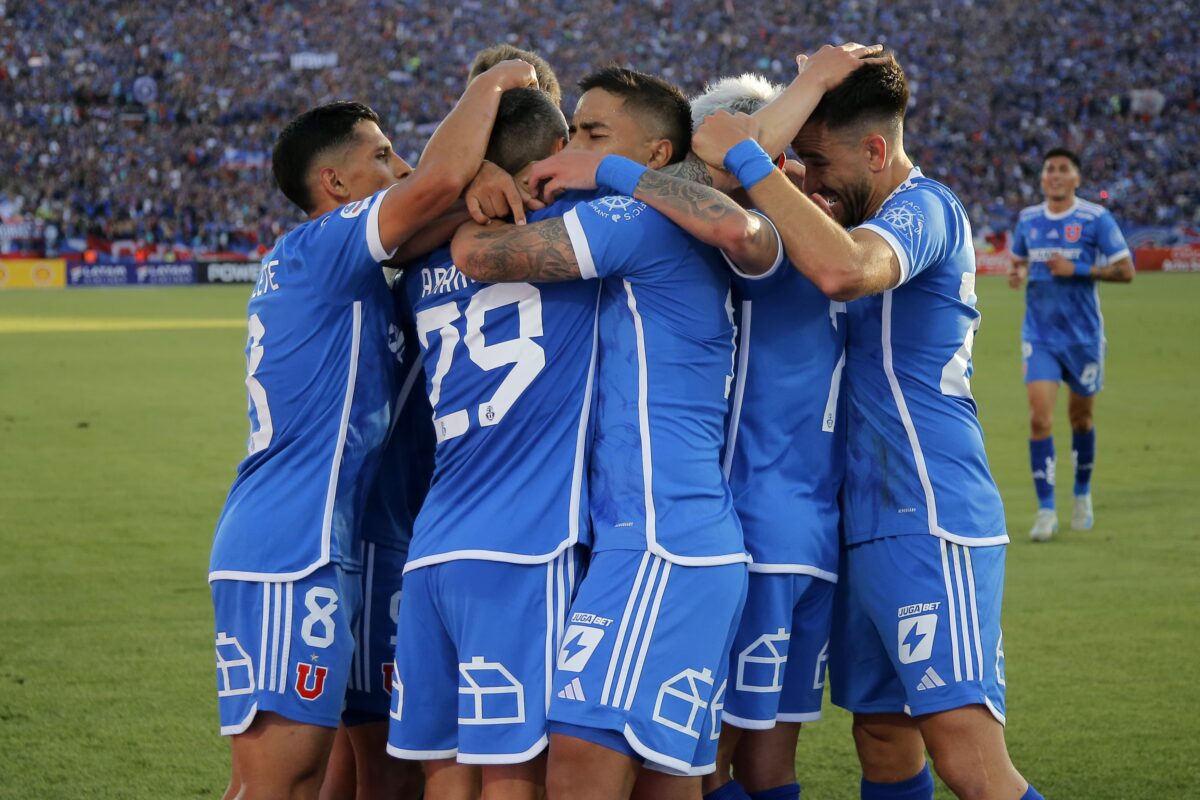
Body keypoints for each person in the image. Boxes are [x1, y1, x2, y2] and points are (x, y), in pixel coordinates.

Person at [523, 45, 882, 800]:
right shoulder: (779, 233)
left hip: (742, 530)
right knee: (716, 760)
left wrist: (616, 170)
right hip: (786, 529)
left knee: (713, 758)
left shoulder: (765, 238)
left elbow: (720, 195)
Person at [687, 54, 1044, 800]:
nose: (807, 181)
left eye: (816, 162)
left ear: (876, 152)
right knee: (882, 736)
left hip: (928, 511)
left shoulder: (925, 208)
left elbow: (848, 272)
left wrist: (753, 160)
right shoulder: (837, 224)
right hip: (859, 520)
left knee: (969, 761)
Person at [208, 59, 538, 800]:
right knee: (275, 786)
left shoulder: (349, 272)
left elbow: (441, 211)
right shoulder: (322, 247)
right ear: (337, 186)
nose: (403, 164)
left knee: (332, 778)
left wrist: (482, 187)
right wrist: (493, 83)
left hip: (332, 543)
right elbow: (436, 188)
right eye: (382, 154)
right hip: (286, 548)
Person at [451, 66, 747, 800]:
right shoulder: (667, 218)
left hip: (657, 543)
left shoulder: (634, 219)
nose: (565, 145)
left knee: (577, 769)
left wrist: (473, 187)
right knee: (662, 785)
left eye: (588, 132)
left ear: (651, 156)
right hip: (673, 540)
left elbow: (479, 256)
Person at [385, 86, 585, 800]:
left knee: (446, 773)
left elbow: (413, 220)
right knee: (513, 775)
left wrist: (468, 178)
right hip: (526, 547)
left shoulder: (416, 264)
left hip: (434, 548)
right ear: (556, 154)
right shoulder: (575, 232)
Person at [1008, 147, 1134, 541]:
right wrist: (1017, 271)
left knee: (1081, 419)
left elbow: (1125, 271)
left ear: (1077, 178)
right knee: (1039, 418)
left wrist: (1075, 269)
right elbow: (1019, 261)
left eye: (1064, 169)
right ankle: (1046, 509)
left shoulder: (1096, 218)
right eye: (1050, 169)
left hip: (1083, 339)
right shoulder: (1028, 219)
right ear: (1043, 178)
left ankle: (1081, 493)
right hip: (1040, 336)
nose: (1056, 175)